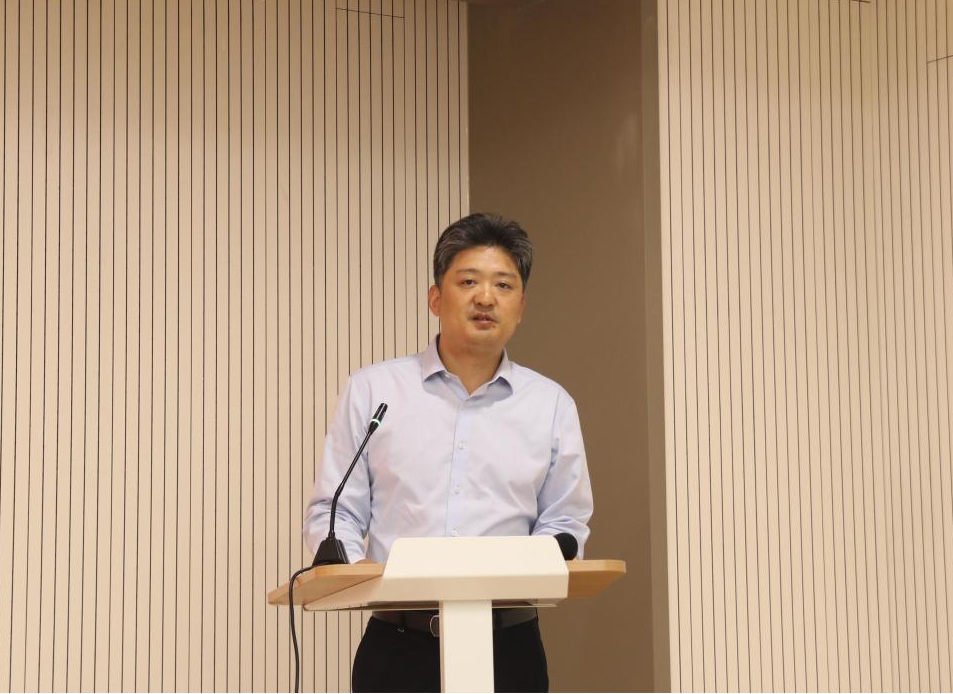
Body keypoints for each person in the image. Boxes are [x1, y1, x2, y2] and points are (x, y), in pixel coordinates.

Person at [303, 212, 594, 693]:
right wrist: (353, 570)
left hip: (509, 648)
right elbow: (335, 513)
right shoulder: (374, 391)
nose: (486, 297)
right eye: (469, 281)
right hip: (398, 648)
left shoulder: (551, 405)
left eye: (503, 285)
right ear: (436, 298)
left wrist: (540, 555)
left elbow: (565, 521)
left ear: (521, 306)